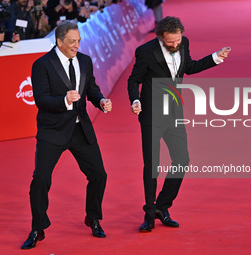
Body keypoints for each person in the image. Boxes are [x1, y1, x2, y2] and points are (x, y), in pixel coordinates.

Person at [127, 16, 231, 232]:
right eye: (170, 42)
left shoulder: (184, 43)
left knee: (182, 160)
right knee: (152, 166)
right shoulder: (145, 51)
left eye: (178, 41)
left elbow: (190, 67)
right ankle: (148, 214)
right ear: (160, 37)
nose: (175, 45)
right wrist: (135, 100)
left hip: (174, 112)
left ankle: (162, 206)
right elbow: (133, 79)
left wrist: (215, 58)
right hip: (152, 115)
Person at [21, 20, 112, 249]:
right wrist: (64, 100)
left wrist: (100, 100)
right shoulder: (42, 64)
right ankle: (38, 228)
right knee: (40, 180)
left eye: (79, 41)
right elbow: (41, 100)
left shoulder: (85, 60)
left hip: (80, 128)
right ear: (59, 41)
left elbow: (90, 88)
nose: (76, 45)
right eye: (72, 42)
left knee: (99, 175)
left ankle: (93, 218)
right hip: (52, 130)